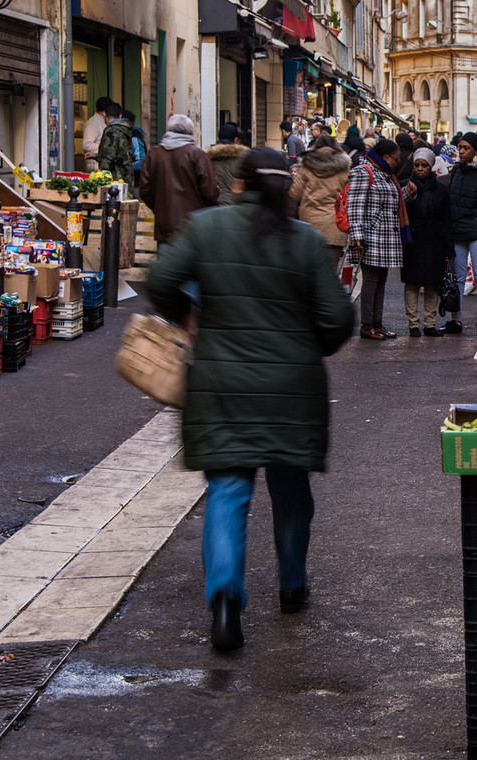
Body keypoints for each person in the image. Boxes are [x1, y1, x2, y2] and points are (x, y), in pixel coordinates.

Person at [148, 147, 355, 652]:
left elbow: (159, 281)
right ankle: (291, 586)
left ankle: (224, 604)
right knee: (290, 495)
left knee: (227, 492)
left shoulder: (206, 227)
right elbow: (337, 320)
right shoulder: (305, 241)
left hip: (221, 385)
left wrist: (188, 317)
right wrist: (311, 345)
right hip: (292, 389)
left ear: (237, 184)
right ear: (287, 189)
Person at [347, 136, 404, 340]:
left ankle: (377, 324)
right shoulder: (363, 172)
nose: (397, 163)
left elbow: (390, 201)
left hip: (386, 236)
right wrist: (357, 235)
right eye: (395, 159)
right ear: (384, 156)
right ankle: (367, 324)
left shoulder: (386, 174)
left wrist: (407, 193)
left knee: (381, 280)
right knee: (370, 281)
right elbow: (354, 205)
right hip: (371, 236)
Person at [442, 132, 477, 335]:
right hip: (457, 231)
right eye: (460, 148)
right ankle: (455, 321)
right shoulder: (457, 170)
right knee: (456, 277)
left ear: (476, 150)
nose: (461, 151)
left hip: (476, 232)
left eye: (465, 148)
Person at [139, 114, 219, 245]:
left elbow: (144, 190)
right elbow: (210, 192)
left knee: (167, 263)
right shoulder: (198, 155)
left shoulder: (154, 154)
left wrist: (160, 209)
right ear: (190, 132)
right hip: (194, 225)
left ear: (168, 131)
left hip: (164, 226)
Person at [401, 148, 452, 337]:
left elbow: (447, 218)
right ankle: (413, 324)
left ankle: (429, 324)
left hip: (435, 241)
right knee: (412, 283)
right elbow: (399, 214)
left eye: (424, 165)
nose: (420, 169)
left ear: (431, 166)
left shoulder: (441, 189)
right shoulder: (406, 186)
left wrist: (449, 246)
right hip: (412, 241)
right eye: (417, 165)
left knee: (433, 284)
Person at [289, 133, 351, 268]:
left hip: (309, 223)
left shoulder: (306, 166)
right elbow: (350, 194)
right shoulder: (344, 167)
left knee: (309, 270)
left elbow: (295, 194)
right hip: (335, 224)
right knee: (329, 271)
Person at [209, 123, 249, 207]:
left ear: (217, 139)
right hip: (236, 206)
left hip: (214, 206)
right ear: (236, 140)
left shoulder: (208, 159)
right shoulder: (244, 160)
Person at [97, 104, 137, 184]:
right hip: (126, 177)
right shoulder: (126, 130)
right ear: (120, 116)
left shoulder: (111, 131)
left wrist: (100, 177)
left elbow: (108, 157)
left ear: (105, 115)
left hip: (114, 179)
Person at [82, 96, 113, 172]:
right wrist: (105, 148)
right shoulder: (93, 123)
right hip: (95, 165)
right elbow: (86, 144)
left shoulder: (102, 121)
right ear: (105, 110)